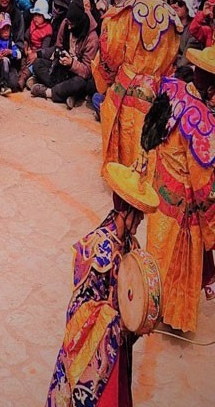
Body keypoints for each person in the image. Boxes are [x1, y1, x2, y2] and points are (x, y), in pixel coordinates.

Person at [46, 161, 159, 407]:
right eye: (137, 213)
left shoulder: (131, 247)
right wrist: (117, 320)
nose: (140, 220)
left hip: (118, 346)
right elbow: (78, 311)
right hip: (96, 352)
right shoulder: (95, 248)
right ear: (124, 211)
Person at [139, 47, 215, 333]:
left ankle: (146, 302)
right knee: (178, 257)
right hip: (183, 198)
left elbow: (151, 131)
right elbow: (204, 186)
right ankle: (170, 313)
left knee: (156, 246)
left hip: (160, 180)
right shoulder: (204, 123)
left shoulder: (174, 89)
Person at [96, 0, 182, 170]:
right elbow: (171, 59)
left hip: (127, 85)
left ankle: (124, 184)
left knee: (125, 135)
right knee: (149, 139)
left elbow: (109, 49)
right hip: (155, 88)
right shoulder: (172, 17)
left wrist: (107, 76)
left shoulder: (126, 10)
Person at [31, 0, 99, 109]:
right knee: (38, 63)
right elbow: (58, 45)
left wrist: (72, 63)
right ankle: (66, 93)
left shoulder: (92, 39)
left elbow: (87, 70)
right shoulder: (66, 23)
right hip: (61, 68)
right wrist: (57, 54)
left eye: (71, 25)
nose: (68, 27)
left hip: (77, 73)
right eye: (68, 23)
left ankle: (48, 92)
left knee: (81, 83)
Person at [18, 0, 52, 90]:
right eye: (35, 15)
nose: (36, 17)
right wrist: (26, 46)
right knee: (22, 61)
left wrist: (34, 54)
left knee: (31, 67)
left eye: (39, 15)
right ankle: (20, 75)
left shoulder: (47, 31)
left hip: (38, 55)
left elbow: (44, 49)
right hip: (29, 50)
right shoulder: (32, 24)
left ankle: (23, 79)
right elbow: (27, 36)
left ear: (44, 17)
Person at [0, 12, 22, 95]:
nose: (6, 32)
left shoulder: (10, 42)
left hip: (5, 67)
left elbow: (19, 54)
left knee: (5, 60)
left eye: (8, 29)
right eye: (3, 29)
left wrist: (10, 52)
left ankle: (3, 85)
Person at [170, 0, 203, 69]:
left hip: (185, 71)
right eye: (175, 1)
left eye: (180, 3)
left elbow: (185, 61)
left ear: (188, 9)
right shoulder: (171, 24)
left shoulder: (193, 31)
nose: (175, 5)